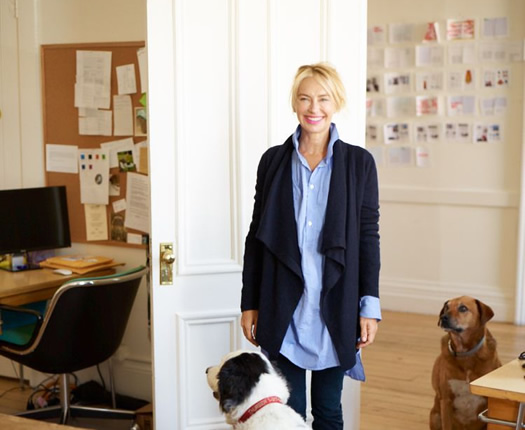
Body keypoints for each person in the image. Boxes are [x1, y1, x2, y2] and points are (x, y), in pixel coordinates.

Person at [240, 62, 381, 429]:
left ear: (336, 103)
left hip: (336, 306)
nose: (313, 108)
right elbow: (256, 237)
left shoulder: (359, 164)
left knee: (329, 411)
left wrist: (369, 307)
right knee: (290, 412)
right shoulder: (272, 161)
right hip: (283, 306)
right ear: (294, 103)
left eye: (322, 99)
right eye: (304, 98)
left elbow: (368, 238)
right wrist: (250, 303)